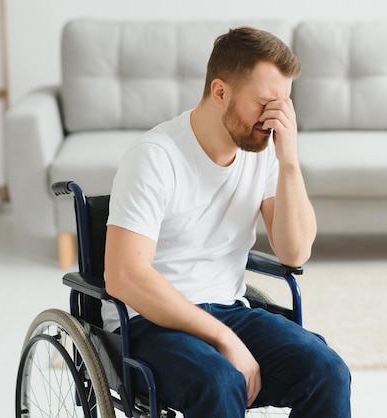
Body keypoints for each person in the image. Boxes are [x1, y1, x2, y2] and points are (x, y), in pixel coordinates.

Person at [103, 26, 351, 417]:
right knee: (219, 382)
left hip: (230, 308)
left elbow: (295, 250)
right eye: (266, 103)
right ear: (220, 92)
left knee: (328, 371)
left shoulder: (263, 152)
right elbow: (124, 276)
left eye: (283, 106)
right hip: (151, 322)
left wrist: (288, 159)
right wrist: (222, 338)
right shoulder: (154, 157)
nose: (273, 119)